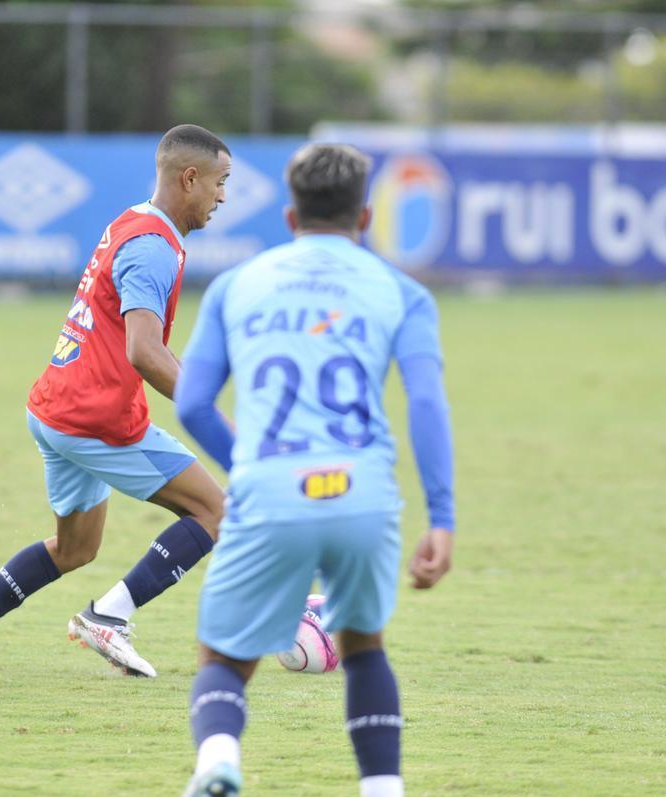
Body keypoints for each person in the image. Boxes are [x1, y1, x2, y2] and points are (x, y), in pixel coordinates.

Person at [173, 143, 456, 797]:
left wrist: (248, 464)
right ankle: (382, 787)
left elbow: (191, 401)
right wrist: (442, 516)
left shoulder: (237, 284)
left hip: (270, 488)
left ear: (290, 216)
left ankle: (217, 760)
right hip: (362, 492)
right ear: (364, 219)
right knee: (363, 645)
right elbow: (427, 401)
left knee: (222, 655)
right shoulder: (403, 292)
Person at [0, 125, 232, 678]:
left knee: (74, 548)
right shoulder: (153, 249)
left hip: (56, 407)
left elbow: (139, 341)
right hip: (97, 419)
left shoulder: (132, 221)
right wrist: (208, 413)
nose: (223, 196)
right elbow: (144, 352)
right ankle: (109, 616)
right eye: (221, 182)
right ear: (190, 178)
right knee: (215, 512)